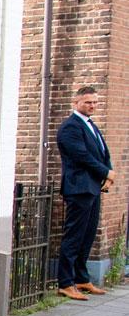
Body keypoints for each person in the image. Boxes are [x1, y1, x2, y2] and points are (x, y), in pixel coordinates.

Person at [56, 86, 115, 300]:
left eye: (95, 102)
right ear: (76, 102)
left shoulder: (90, 125)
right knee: (74, 236)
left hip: (93, 187)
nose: (93, 105)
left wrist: (107, 174)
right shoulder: (71, 127)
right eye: (88, 102)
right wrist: (106, 171)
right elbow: (82, 156)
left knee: (88, 235)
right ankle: (65, 282)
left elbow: (101, 152)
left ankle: (81, 278)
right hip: (79, 188)